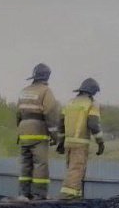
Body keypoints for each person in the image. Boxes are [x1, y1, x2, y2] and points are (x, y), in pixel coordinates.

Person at [16, 63, 60, 200]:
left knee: (25, 163)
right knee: (40, 164)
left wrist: (20, 130)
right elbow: (50, 112)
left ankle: (23, 193)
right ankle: (39, 194)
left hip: (23, 131)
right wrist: (54, 134)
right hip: (38, 131)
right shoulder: (46, 91)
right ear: (47, 76)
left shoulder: (24, 91)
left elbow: (18, 113)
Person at [57, 78, 104, 199]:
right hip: (80, 144)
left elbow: (61, 124)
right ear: (91, 92)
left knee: (72, 171)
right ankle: (67, 197)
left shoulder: (70, 103)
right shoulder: (91, 104)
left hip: (68, 143)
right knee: (76, 171)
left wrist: (60, 142)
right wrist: (100, 142)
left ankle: (76, 197)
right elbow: (93, 124)